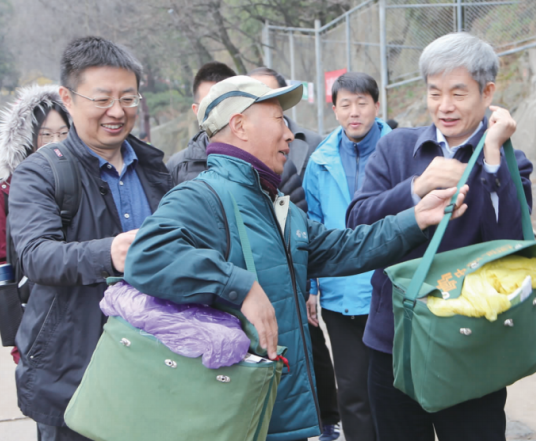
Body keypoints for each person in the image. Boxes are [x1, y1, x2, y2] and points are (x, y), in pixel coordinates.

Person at [123, 75, 469, 441]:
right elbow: (146, 256)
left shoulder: (275, 205)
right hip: (234, 413)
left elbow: (345, 247)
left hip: (278, 408)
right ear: (239, 125)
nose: (290, 134)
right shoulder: (201, 197)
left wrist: (415, 218)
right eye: (278, 120)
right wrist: (240, 286)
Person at [346, 32, 533, 441]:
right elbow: (357, 222)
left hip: (472, 342)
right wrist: (415, 188)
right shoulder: (396, 147)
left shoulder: (510, 161)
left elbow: (510, 243)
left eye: (458, 93)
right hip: (395, 340)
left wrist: (492, 157)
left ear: (487, 93)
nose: (444, 106)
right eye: (435, 92)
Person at [8, 36, 173, 441]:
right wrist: (109, 252)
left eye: (128, 98)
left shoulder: (156, 169)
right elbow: (36, 255)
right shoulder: (40, 173)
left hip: (155, 367)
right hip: (73, 372)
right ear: (68, 98)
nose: (117, 111)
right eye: (102, 99)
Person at [249, 67, 340, 441]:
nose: (287, 132)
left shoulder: (304, 153)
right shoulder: (207, 190)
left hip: (298, 287)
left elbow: (321, 235)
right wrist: (239, 285)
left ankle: (325, 422)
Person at [302, 71, 391, 441]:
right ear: (334, 110)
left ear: (376, 105)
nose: (354, 112)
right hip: (341, 296)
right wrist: (311, 286)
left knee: (396, 391)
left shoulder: (399, 150)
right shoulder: (319, 161)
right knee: (353, 392)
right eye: (345, 104)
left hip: (392, 292)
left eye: (362, 103)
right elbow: (312, 225)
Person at [0, 84, 71, 364]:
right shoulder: (4, 190)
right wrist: (15, 330)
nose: (55, 141)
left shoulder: (83, 180)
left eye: (63, 133)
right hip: (31, 307)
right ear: (28, 138)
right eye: (46, 134)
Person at [166, 61, 237, 184]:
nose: (218, 113)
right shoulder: (177, 168)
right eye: (209, 105)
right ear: (196, 110)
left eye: (225, 103)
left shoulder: (261, 157)